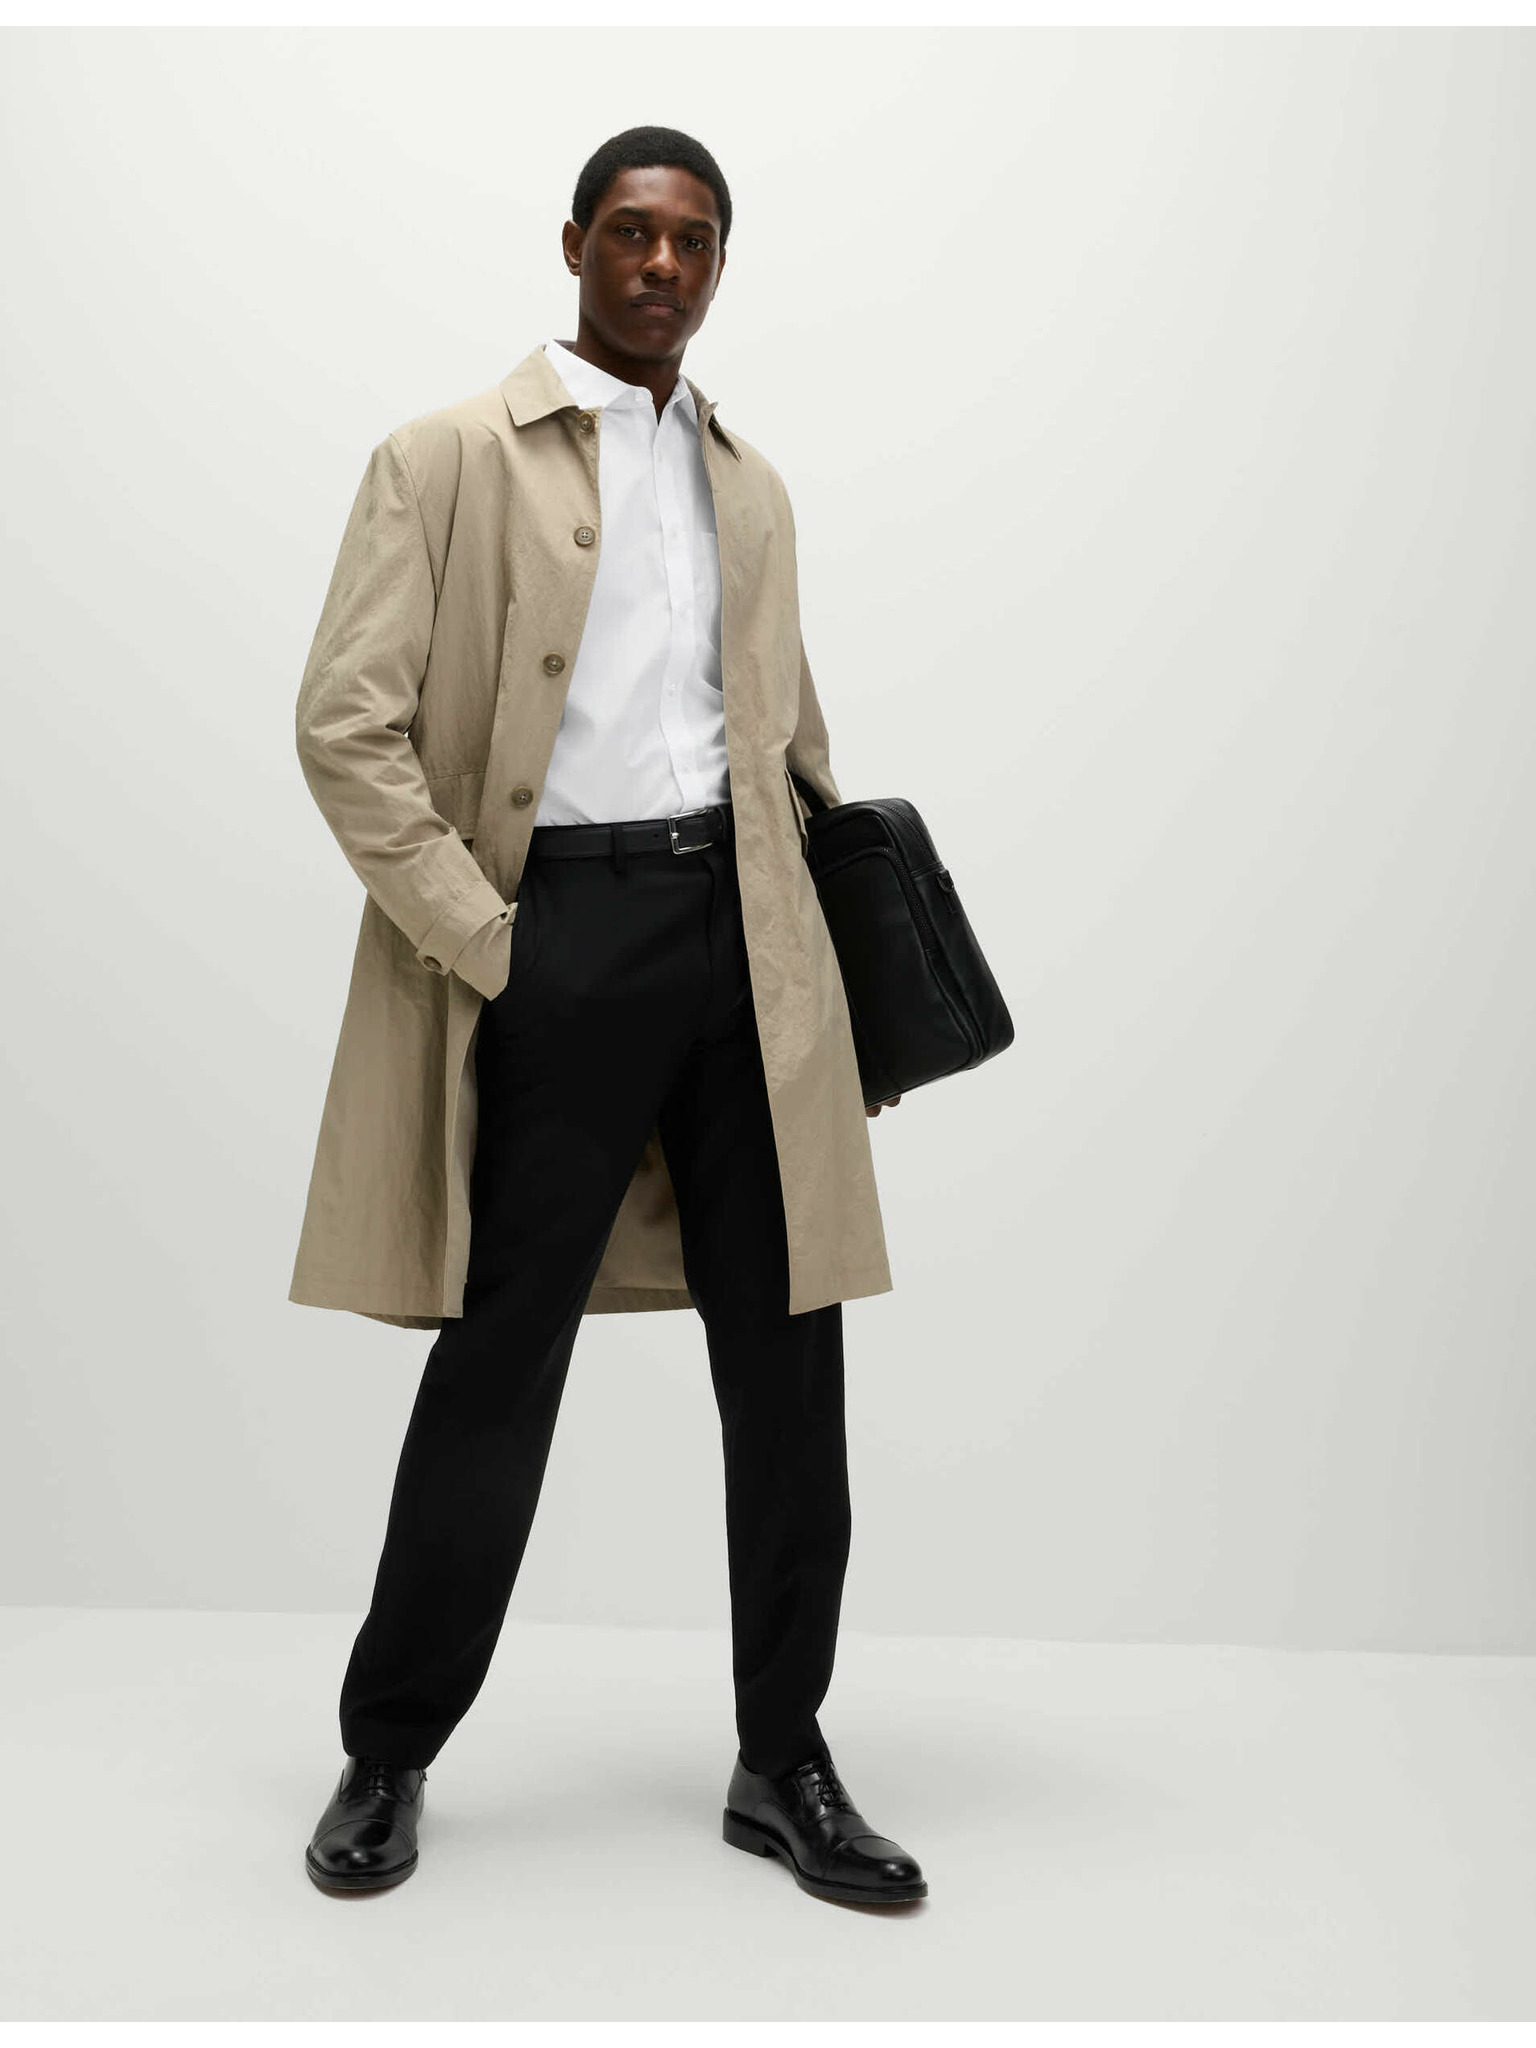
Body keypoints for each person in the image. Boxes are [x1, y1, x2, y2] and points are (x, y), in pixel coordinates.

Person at [295, 125, 925, 1909]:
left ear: (719, 268)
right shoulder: (444, 458)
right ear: (574, 242)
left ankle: (783, 1756)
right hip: (554, 935)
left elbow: (788, 740)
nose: (662, 264)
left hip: (747, 944)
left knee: (791, 1366)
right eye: (634, 233)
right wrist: (494, 946)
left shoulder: (753, 484)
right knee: (502, 1362)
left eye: (695, 241)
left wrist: (829, 985)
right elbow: (346, 728)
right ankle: (388, 1749)